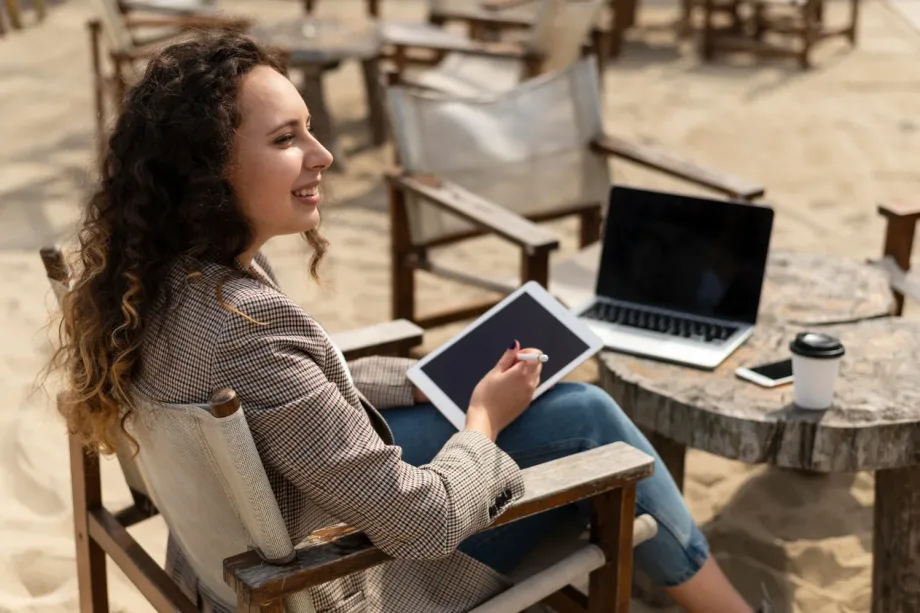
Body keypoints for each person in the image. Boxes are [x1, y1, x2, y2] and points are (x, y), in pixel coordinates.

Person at [49, 31, 763, 613]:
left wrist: (426, 382)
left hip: (243, 540)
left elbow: (293, 400)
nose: (323, 155)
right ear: (209, 173)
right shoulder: (245, 328)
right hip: (351, 577)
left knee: (546, 401)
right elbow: (422, 524)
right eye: (287, 138)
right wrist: (480, 417)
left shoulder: (161, 282)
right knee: (588, 419)